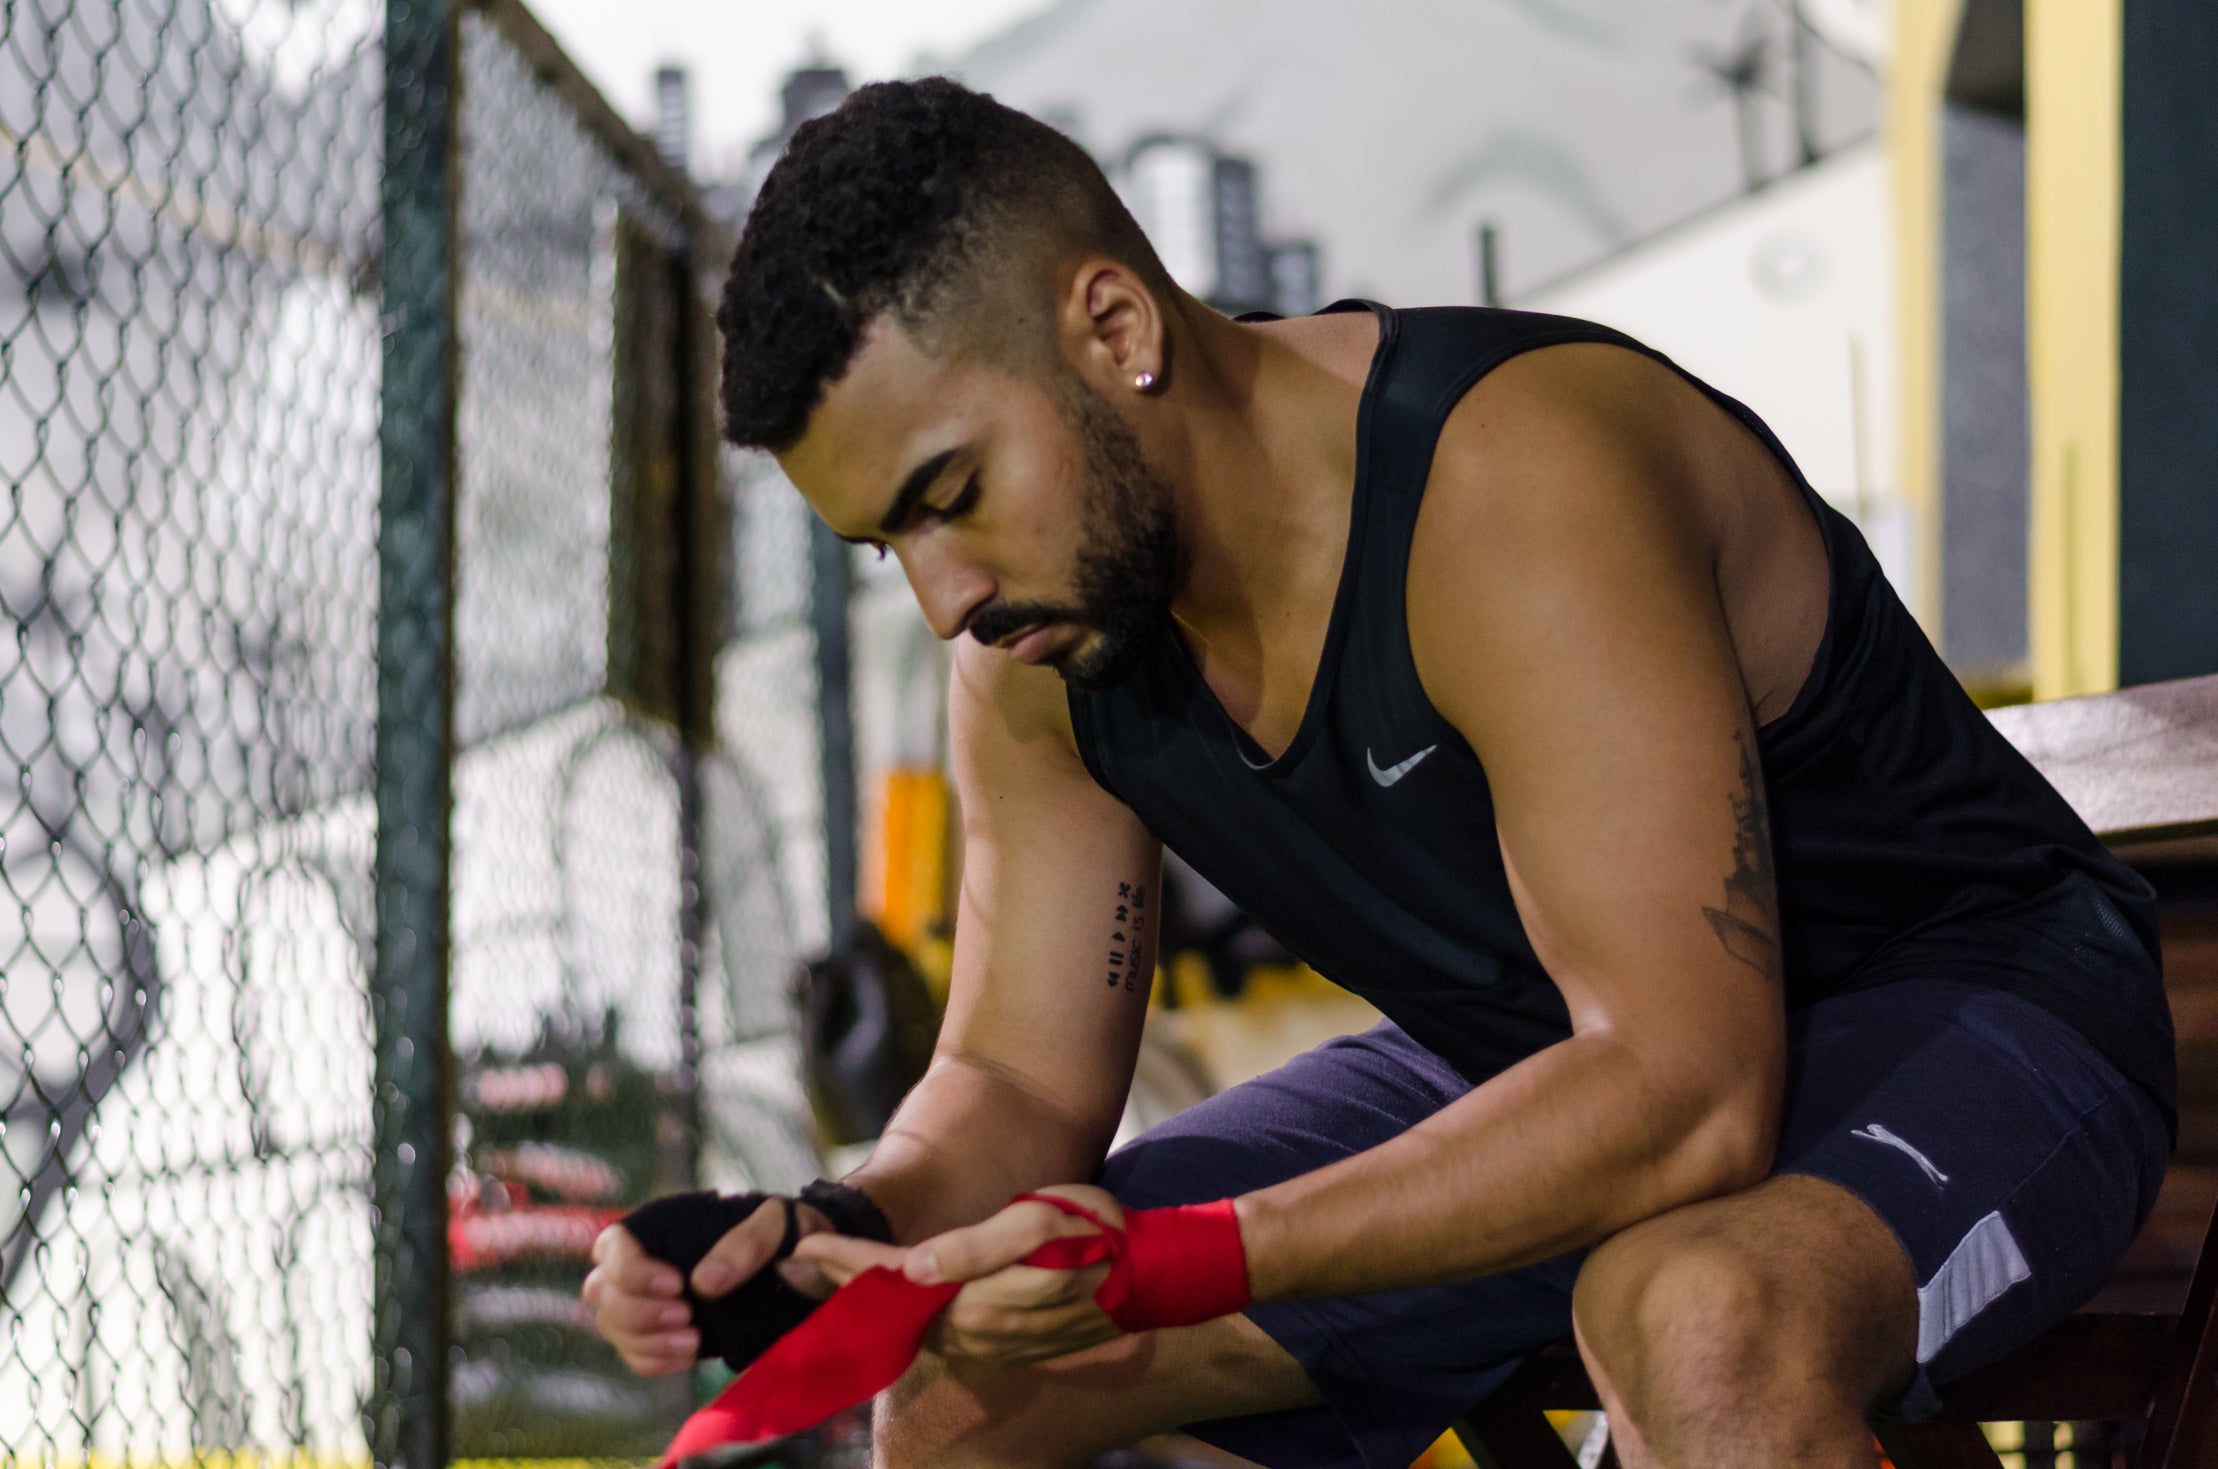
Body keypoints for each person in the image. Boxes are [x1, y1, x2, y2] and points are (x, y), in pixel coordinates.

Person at [583, 78, 2174, 1469]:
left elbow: (1686, 1098)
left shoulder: (1509, 481)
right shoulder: (1035, 650)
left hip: (1974, 1012)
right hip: (1555, 1058)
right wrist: (834, 1231)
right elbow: (1017, 1083)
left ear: (1114, 327)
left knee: (1696, 1314)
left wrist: (1192, 1256)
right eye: (886, 544)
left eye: (952, 493)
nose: (944, 598)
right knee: (963, 1391)